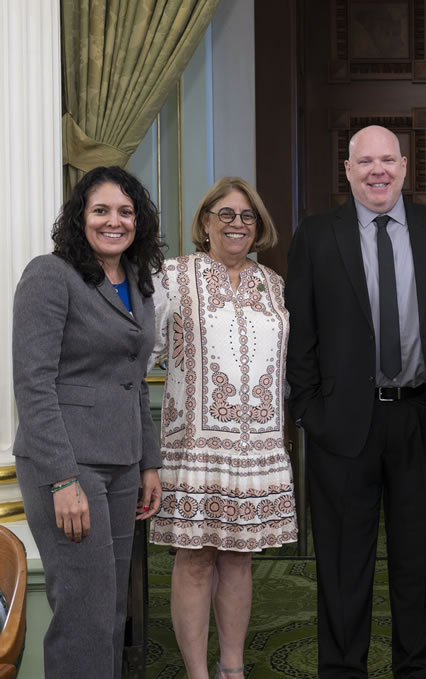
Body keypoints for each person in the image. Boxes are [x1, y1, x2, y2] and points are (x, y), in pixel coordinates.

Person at [285, 125, 426, 679]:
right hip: (343, 425)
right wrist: (309, 413)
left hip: (424, 419)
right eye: (365, 161)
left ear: (404, 167)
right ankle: (343, 670)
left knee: (421, 562)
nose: (377, 171)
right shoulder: (317, 236)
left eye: (387, 160)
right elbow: (302, 335)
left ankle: (417, 669)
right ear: (347, 170)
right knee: (343, 565)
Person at [12, 166, 164, 678]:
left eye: (125, 211)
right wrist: (62, 478)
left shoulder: (136, 282)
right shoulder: (50, 275)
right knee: (84, 613)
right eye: (101, 210)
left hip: (122, 465)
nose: (114, 221)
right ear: (80, 217)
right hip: (66, 466)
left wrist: (148, 462)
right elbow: (33, 384)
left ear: (138, 221)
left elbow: (134, 379)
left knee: (110, 612)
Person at [149, 177, 298, 679]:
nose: (237, 224)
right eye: (226, 215)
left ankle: (232, 669)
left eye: (247, 216)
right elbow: (138, 350)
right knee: (194, 561)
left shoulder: (272, 284)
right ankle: (197, 673)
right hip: (193, 448)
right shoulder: (171, 277)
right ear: (205, 222)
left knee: (239, 560)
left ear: (259, 226)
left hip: (257, 450)